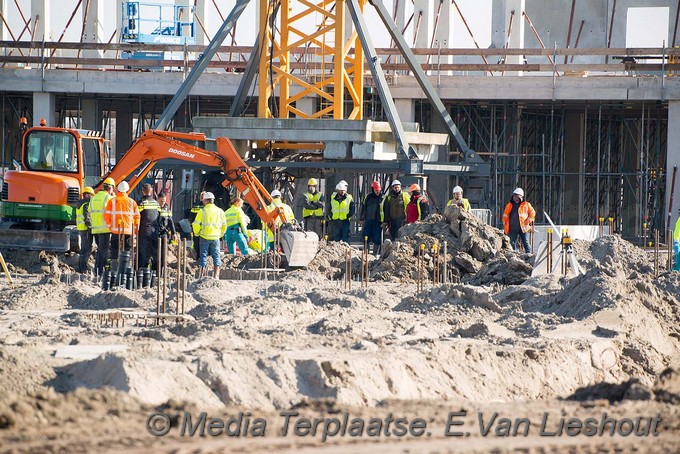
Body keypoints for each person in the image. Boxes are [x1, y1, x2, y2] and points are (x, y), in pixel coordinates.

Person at [104, 181, 140, 263]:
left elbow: (106, 215)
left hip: (115, 231)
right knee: (127, 251)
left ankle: (114, 269)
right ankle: (125, 268)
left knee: (114, 250)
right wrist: (135, 230)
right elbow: (137, 217)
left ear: (118, 190)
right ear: (127, 191)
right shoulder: (132, 202)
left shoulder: (112, 201)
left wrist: (110, 226)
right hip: (128, 231)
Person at [192, 192, 227, 278]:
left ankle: (203, 275)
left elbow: (196, 224)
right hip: (215, 237)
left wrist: (197, 233)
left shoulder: (202, 211)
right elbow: (224, 225)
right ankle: (216, 274)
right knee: (216, 255)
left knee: (203, 255)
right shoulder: (220, 211)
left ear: (205, 201)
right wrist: (220, 234)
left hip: (204, 236)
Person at [89, 177, 116, 276]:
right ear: (111, 188)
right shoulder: (108, 198)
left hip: (95, 229)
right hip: (104, 228)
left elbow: (89, 211)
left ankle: (97, 269)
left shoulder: (94, 197)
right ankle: (99, 271)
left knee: (100, 250)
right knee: (103, 251)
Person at [502, 187, 536, 253]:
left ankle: (529, 255)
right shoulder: (509, 205)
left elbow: (532, 213)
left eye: (517, 196)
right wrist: (505, 224)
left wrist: (528, 220)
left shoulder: (526, 205)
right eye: (514, 196)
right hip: (512, 228)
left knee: (525, 242)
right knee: (512, 243)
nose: (515, 198)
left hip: (523, 227)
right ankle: (513, 255)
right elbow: (505, 215)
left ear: (521, 197)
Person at [137, 183, 161, 271]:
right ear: (151, 191)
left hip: (143, 230)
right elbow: (159, 217)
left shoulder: (141, 203)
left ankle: (142, 271)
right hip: (154, 230)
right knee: (154, 252)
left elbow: (136, 216)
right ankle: (155, 272)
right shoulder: (156, 203)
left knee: (143, 252)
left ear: (143, 192)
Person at [360, 181, 384, 255]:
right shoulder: (368, 197)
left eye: (378, 190)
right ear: (372, 189)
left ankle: (374, 255)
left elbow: (386, 209)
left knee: (377, 238)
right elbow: (363, 208)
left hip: (378, 221)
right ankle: (366, 254)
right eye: (376, 190)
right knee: (366, 236)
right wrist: (361, 218)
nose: (377, 192)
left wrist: (385, 221)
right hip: (368, 221)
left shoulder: (382, 198)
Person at [156, 192, 177, 272]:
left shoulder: (167, 209)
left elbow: (170, 221)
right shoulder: (155, 207)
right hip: (156, 232)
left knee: (164, 253)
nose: (163, 203)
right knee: (156, 253)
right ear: (157, 199)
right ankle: (156, 269)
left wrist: (173, 233)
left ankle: (162, 269)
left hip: (164, 233)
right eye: (161, 201)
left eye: (164, 201)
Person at [75, 186, 95, 273]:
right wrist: (91, 227)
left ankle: (81, 266)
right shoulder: (86, 204)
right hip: (86, 229)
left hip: (81, 228)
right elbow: (87, 217)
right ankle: (83, 268)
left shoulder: (80, 203)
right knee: (87, 248)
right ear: (88, 195)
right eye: (91, 195)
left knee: (83, 248)